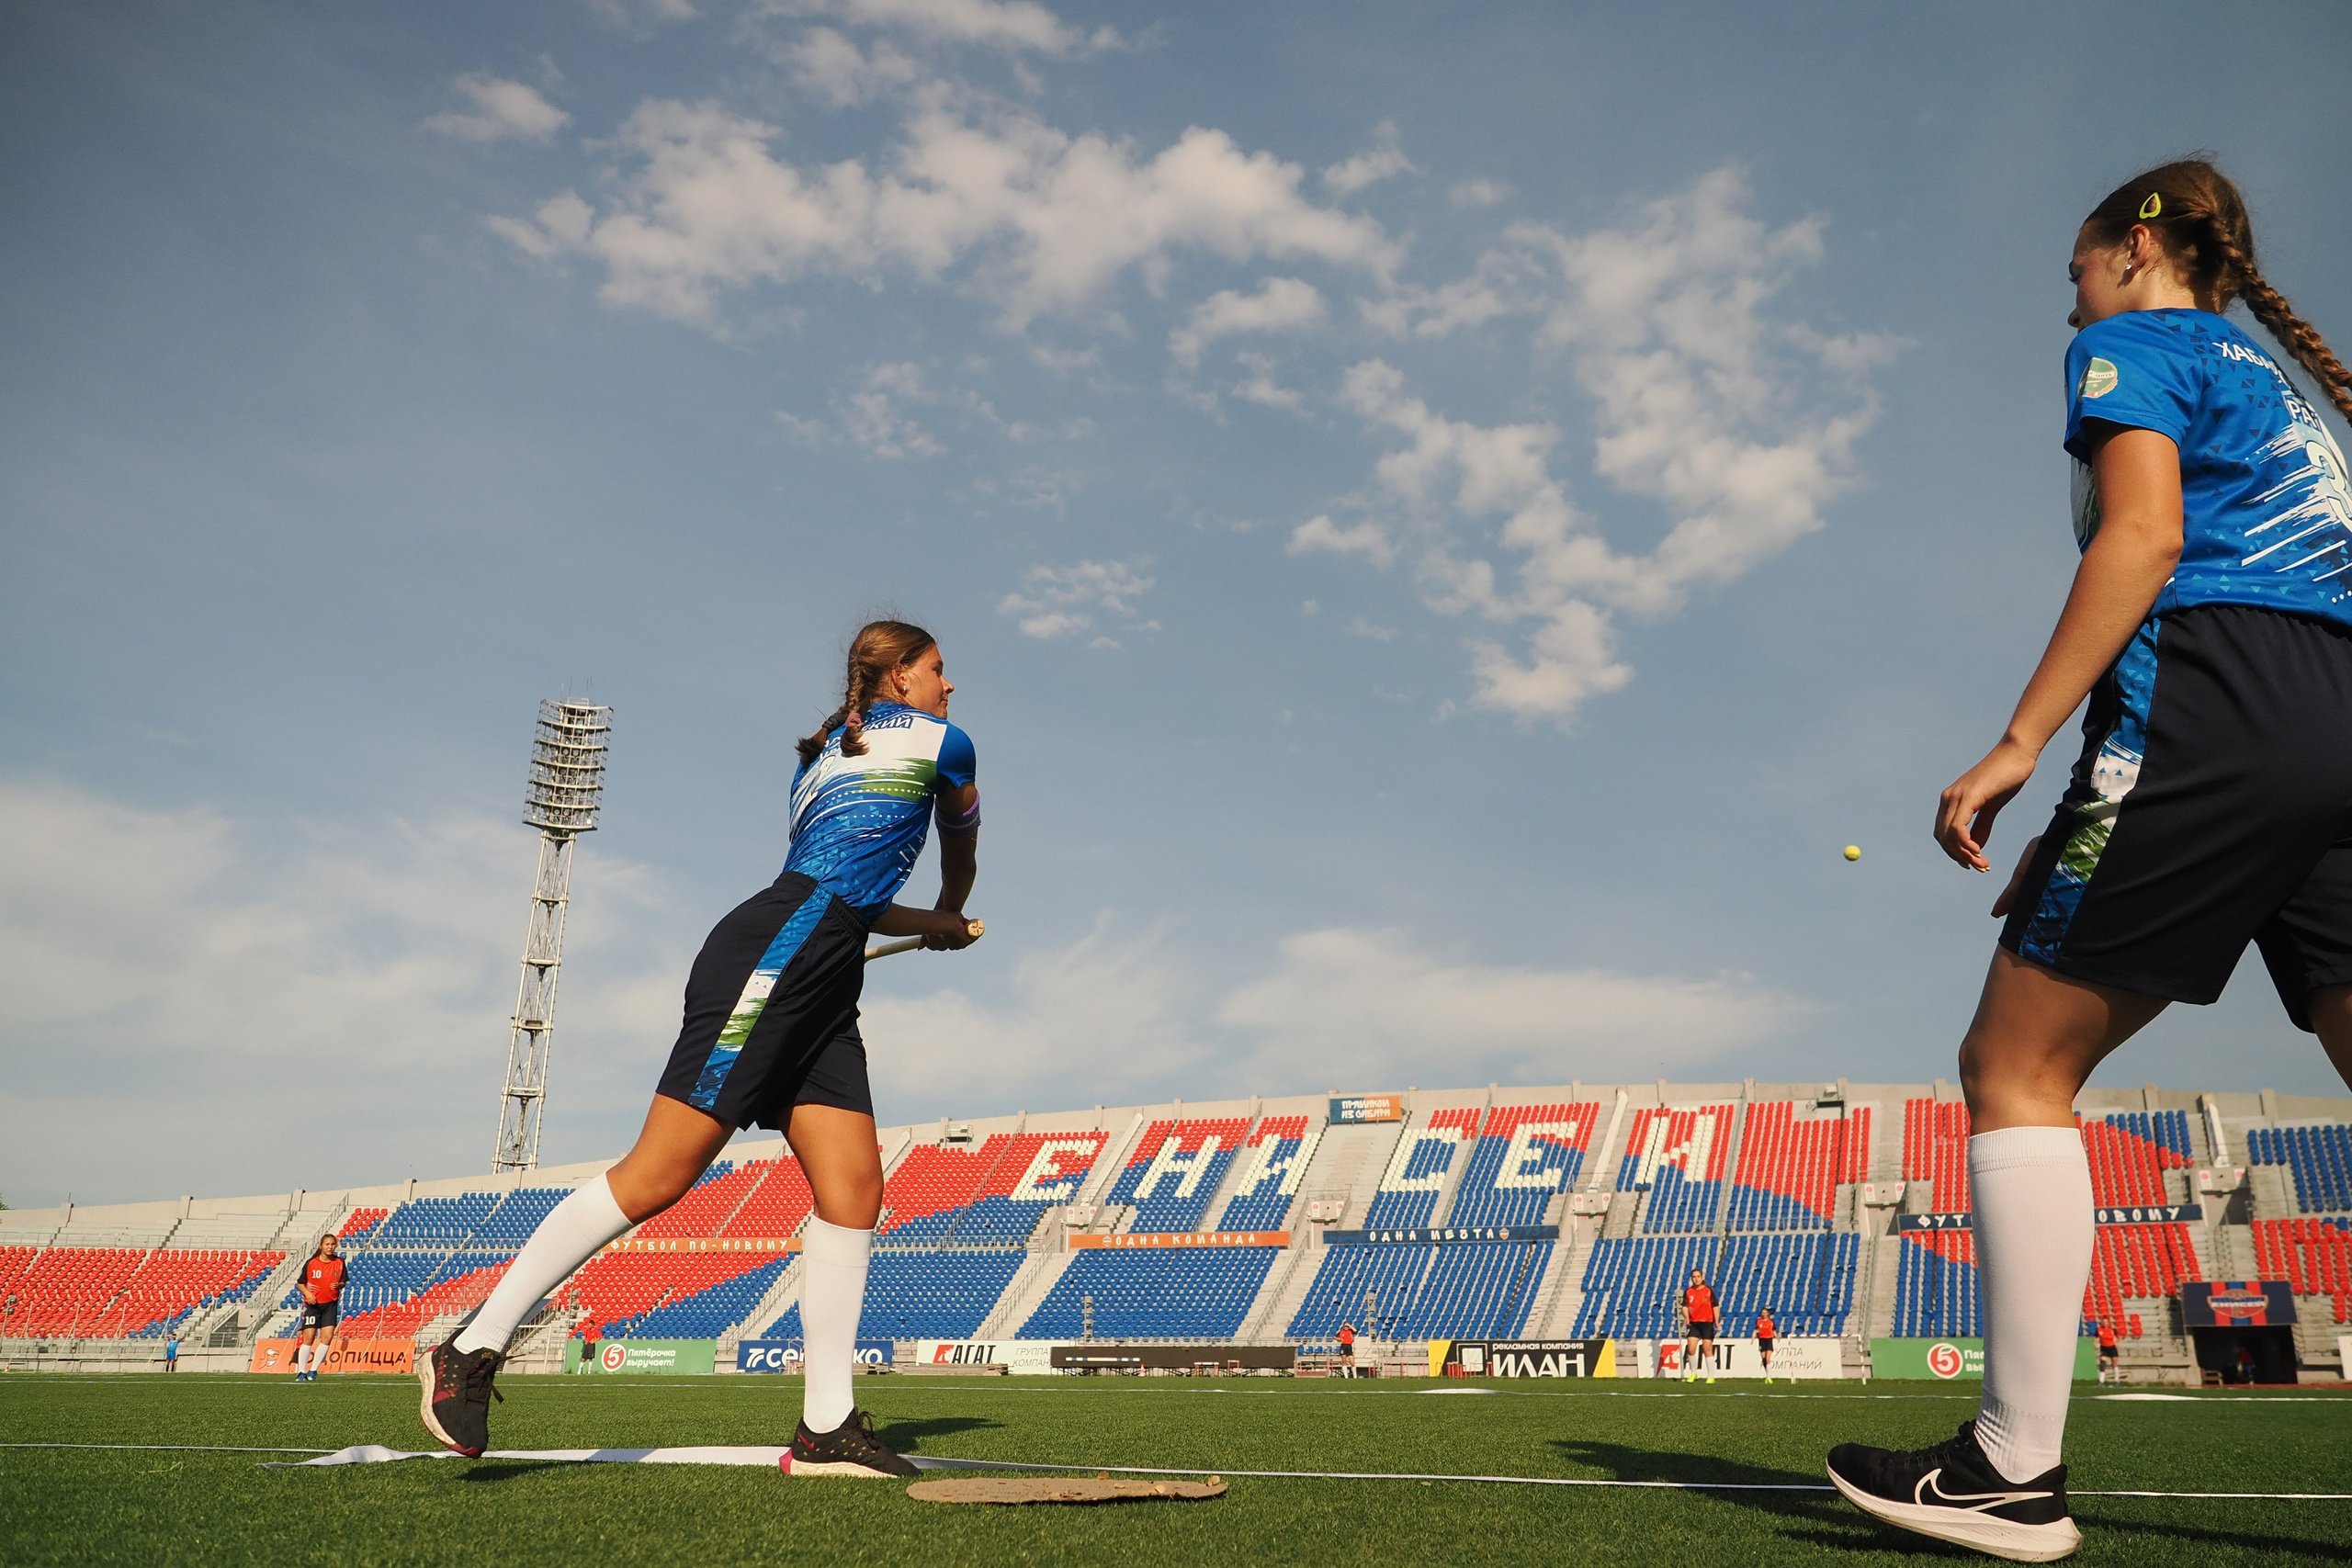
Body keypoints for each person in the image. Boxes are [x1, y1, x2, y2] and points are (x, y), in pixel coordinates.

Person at [1826, 160, 2352, 1562]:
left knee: (2016, 1064)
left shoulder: (2131, 343)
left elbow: (2152, 540)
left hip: (2224, 696)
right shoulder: (2295, 393)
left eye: (2074, 263)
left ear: (2135, 244)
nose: (2065, 293)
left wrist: (2016, 742)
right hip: (2338, 721)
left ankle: (2009, 1467)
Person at [419, 622, 983, 1476]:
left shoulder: (828, 749)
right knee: (660, 1171)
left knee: (853, 1187)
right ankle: (472, 1344)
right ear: (901, 675)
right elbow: (959, 846)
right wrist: (949, 906)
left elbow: (851, 891)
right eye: (939, 669)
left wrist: (929, 924)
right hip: (786, 948)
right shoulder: (946, 743)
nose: (953, 685)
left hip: (818, 960)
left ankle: (826, 1423)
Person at [292, 1233, 346, 1382]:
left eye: (332, 1244)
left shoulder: (340, 1262)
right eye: (327, 1244)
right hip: (314, 1306)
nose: (330, 1247)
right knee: (308, 1338)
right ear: (321, 1246)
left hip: (331, 1305)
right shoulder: (311, 1263)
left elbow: (343, 1282)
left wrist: (339, 1285)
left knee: (327, 1337)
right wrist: (308, 1294)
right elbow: (300, 1283)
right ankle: (302, 1372)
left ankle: (314, 1370)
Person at [1680, 1269, 1717, 1384]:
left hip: (1707, 1323)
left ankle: (1711, 1376)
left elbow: (1715, 1306)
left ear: (1702, 1278)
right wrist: (1686, 1317)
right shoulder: (1689, 1292)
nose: (1696, 1279)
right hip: (1694, 1324)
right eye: (1694, 1277)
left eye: (1698, 1276)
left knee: (1707, 1349)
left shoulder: (1708, 1291)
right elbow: (1685, 1306)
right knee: (1691, 1348)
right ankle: (1693, 1373)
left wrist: (1717, 1321)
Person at [2094, 1318, 2119, 1386]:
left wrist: (2118, 1343)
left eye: (2106, 1322)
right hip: (2104, 1348)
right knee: (2102, 1364)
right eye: (2103, 1322)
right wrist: (2095, 1343)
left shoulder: (2112, 1330)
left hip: (2112, 1348)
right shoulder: (2099, 1330)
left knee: (2114, 1364)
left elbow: (2119, 1336)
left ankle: (2116, 1381)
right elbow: (2095, 1337)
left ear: (2108, 1323)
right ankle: (2101, 1381)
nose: (2105, 1323)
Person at [1755, 1305, 1776, 1384]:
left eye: (1765, 1313)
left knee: (1767, 1358)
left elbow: (1773, 1330)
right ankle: (1767, 1376)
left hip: (1769, 1339)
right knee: (1764, 1359)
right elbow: (1756, 1330)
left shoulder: (1771, 1322)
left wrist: (1777, 1337)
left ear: (1767, 1313)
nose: (1764, 1314)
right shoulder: (1758, 1321)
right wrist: (1753, 1339)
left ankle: (1769, 1377)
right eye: (1763, 1313)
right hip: (1761, 1340)